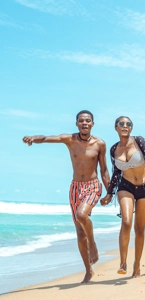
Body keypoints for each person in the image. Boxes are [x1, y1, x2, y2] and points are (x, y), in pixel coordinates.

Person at [22, 110, 110, 284]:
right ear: (76, 123)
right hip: (75, 187)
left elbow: (104, 170)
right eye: (81, 121)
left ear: (93, 123)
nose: (84, 123)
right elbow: (47, 138)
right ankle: (88, 270)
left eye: (88, 121)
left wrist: (109, 192)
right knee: (79, 232)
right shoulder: (69, 139)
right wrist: (33, 138)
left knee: (82, 215)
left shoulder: (99, 143)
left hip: (93, 186)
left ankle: (93, 244)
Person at [100, 116, 145, 278]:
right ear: (116, 127)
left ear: (131, 127)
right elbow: (116, 173)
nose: (125, 126)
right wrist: (109, 193)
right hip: (126, 187)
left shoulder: (139, 141)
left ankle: (136, 265)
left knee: (139, 229)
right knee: (126, 221)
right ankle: (123, 262)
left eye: (128, 124)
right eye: (122, 124)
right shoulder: (113, 149)